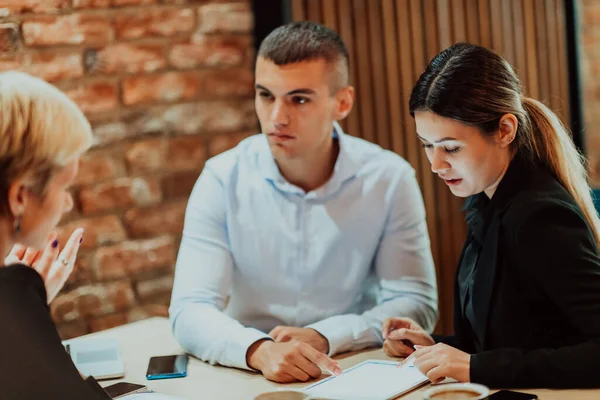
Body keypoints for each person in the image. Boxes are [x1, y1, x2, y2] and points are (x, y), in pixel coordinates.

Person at [169, 21, 438, 383]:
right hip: (250, 374)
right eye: (265, 95)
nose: (276, 118)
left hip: (354, 369)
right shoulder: (221, 178)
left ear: (342, 102)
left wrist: (327, 335)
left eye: (298, 99)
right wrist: (258, 350)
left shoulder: (389, 178)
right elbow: (190, 309)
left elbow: (416, 304)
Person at [382, 43, 600, 389]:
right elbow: (509, 339)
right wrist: (437, 347)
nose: (436, 165)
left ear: (504, 131)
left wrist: (477, 367)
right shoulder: (485, 200)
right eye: (427, 144)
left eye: (451, 148)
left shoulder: (539, 216)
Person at [0, 71, 110, 399]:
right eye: (64, 186)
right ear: (20, 196)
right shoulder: (12, 294)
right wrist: (23, 313)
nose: (68, 202)